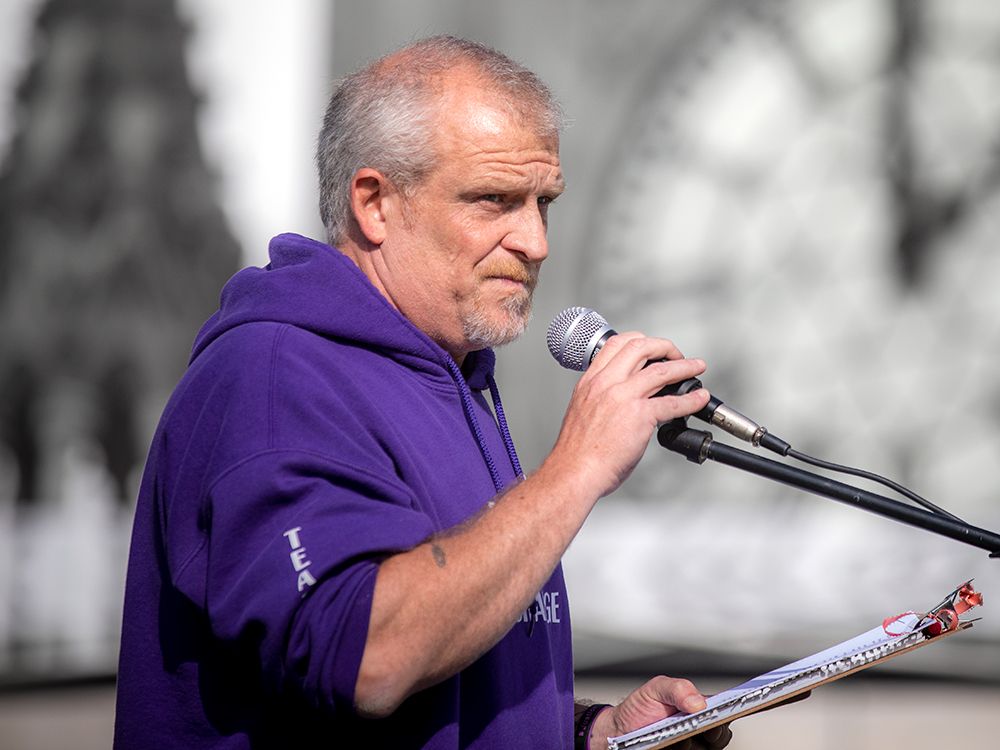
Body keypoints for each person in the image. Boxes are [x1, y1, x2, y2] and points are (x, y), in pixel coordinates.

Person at [114, 36, 731, 750]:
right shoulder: (274, 378)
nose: (535, 242)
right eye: (494, 200)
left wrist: (592, 734)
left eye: (544, 204)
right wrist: (579, 467)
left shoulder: (453, 376)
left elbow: (437, 694)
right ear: (375, 203)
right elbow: (367, 657)